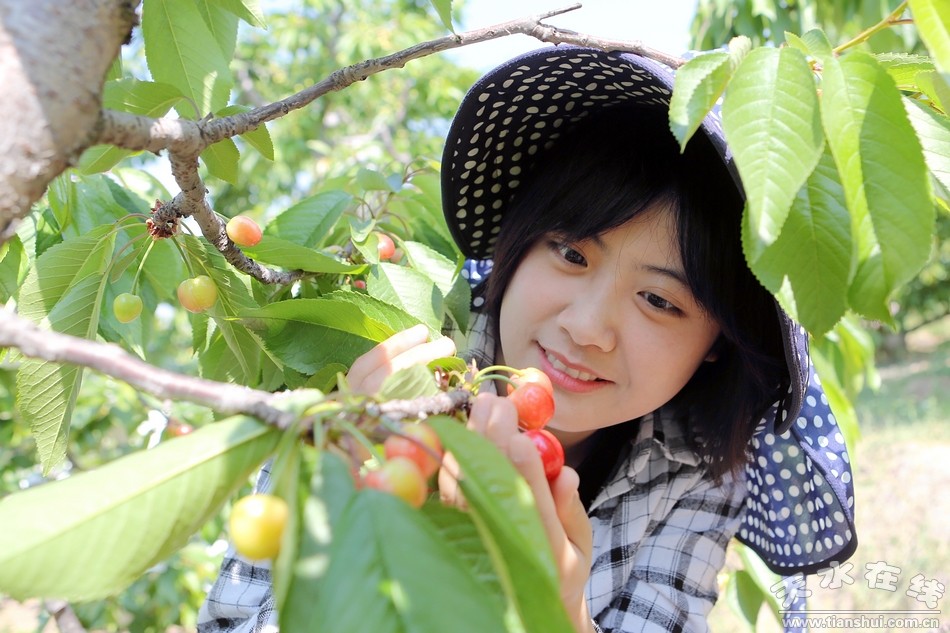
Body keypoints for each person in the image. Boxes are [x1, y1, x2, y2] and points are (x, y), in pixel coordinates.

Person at [198, 46, 857, 633]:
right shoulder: (380, 379)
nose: (586, 327)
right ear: (518, 237)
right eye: (571, 253)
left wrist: (561, 612)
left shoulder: (697, 472)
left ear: (719, 338)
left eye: (659, 300)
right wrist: (352, 501)